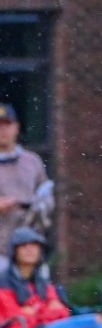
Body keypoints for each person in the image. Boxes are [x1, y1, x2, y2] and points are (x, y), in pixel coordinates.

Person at [0, 104, 51, 243]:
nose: (3, 130)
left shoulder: (32, 161)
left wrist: (38, 207)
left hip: (28, 244)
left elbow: (46, 194)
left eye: (7, 124)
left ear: (16, 127)